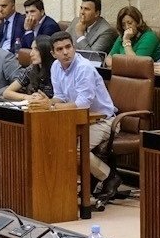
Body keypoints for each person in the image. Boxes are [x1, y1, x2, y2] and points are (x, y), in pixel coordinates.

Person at [47, 32, 119, 200]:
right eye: (60, 49)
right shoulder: (55, 67)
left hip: (103, 120)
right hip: (78, 120)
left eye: (68, 47)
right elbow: (60, 96)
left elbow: (82, 104)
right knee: (57, 144)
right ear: (53, 53)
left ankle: (109, 177)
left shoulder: (84, 67)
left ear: (74, 47)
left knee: (75, 150)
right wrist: (49, 102)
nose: (65, 52)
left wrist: (54, 106)